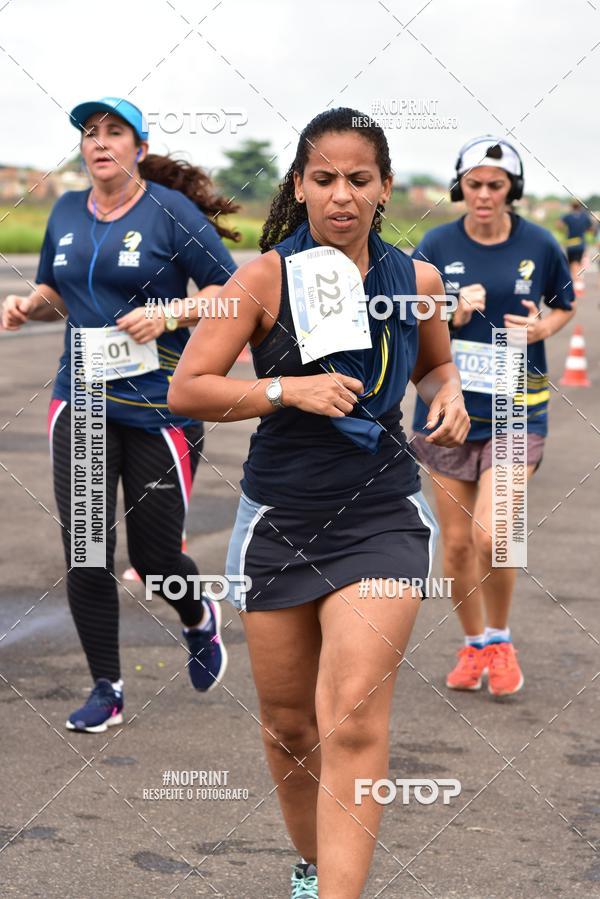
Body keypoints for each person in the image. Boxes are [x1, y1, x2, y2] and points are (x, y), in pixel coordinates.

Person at [168, 108, 469, 899]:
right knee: (291, 726)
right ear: (300, 186)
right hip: (280, 521)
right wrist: (284, 388)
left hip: (382, 514)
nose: (342, 194)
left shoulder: (419, 280)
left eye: (358, 180)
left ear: (384, 189)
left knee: (354, 714)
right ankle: (311, 865)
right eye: (325, 178)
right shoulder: (264, 277)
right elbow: (189, 387)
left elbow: (436, 368)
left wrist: (452, 394)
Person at [1, 97, 237, 732]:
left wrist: (171, 313)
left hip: (161, 405)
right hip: (79, 401)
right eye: (90, 132)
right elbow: (58, 291)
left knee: (158, 558)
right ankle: (106, 686)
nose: (100, 141)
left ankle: (197, 616)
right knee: (86, 548)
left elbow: (227, 293)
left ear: (138, 146)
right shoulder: (66, 211)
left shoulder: (170, 212)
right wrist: (29, 305)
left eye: (114, 131)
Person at [411, 136, 576, 698]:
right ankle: (474, 642)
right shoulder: (434, 243)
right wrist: (448, 313)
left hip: (515, 410)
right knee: (455, 547)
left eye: (495, 185)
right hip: (448, 410)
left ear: (512, 189)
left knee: (494, 535)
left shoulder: (541, 243)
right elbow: (409, 320)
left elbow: (564, 304)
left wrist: (543, 329)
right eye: (474, 184)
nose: (483, 195)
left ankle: (501, 638)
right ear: (461, 187)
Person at [558, 199, 593, 292]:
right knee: (579, 263)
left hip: (571, 243)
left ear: (571, 206)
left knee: (573, 264)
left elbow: (559, 225)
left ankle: (576, 285)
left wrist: (565, 231)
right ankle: (579, 283)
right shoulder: (585, 217)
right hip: (581, 243)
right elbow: (591, 228)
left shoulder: (568, 216)